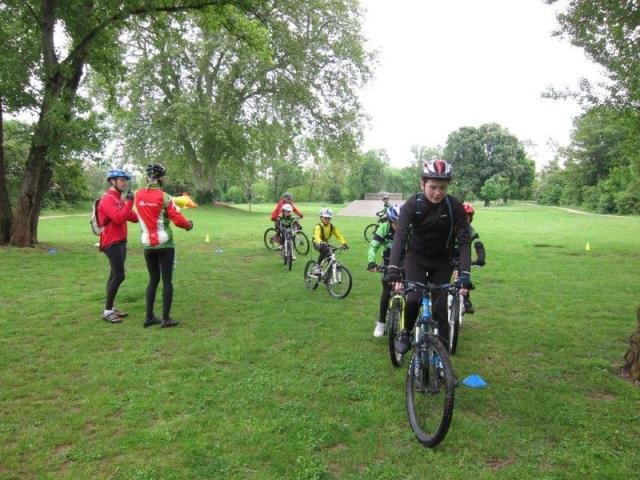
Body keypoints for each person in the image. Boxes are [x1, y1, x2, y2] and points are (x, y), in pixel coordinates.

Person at [386, 159, 472, 354]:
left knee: (441, 309)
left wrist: (465, 273)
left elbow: (465, 242)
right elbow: (400, 236)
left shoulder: (454, 207)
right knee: (414, 298)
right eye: (432, 187)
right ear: (422, 184)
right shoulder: (412, 204)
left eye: (442, 187)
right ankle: (406, 332)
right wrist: (392, 268)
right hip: (416, 258)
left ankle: (442, 358)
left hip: (442, 261)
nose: (437, 193)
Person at [134, 163, 193, 328]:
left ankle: (149, 317)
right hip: (165, 244)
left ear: (147, 178)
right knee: (167, 282)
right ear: (160, 179)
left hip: (147, 244)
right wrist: (189, 225)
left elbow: (134, 214)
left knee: (153, 280)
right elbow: (178, 219)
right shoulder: (164, 197)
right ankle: (166, 319)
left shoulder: (137, 195)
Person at [98, 168, 138, 323]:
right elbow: (118, 218)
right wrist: (128, 203)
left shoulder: (119, 199)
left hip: (121, 241)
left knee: (113, 275)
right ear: (112, 181)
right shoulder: (107, 199)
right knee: (120, 275)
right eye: (121, 180)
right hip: (111, 242)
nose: (124, 182)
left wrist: (131, 206)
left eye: (125, 180)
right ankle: (107, 311)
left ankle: (111, 307)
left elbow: (132, 217)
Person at [367, 204, 401, 337]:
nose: (398, 225)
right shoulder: (383, 229)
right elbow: (373, 246)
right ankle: (381, 322)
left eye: (401, 222)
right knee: (387, 290)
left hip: (405, 260)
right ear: (390, 221)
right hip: (388, 260)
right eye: (395, 222)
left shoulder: (408, 230)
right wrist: (371, 262)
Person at [459, 202, 486, 314]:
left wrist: (481, 258)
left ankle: (466, 300)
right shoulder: (451, 227)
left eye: (468, 217)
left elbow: (478, 244)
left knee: (465, 279)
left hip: (464, 258)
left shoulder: (471, 231)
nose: (466, 220)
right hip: (449, 257)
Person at [311, 207, 348, 274]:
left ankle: (328, 274)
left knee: (331, 255)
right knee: (324, 249)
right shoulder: (318, 226)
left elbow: (338, 235)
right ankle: (317, 266)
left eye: (329, 218)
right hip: (317, 242)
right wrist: (320, 242)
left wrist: (344, 243)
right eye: (325, 218)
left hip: (325, 243)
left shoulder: (331, 226)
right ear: (321, 217)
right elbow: (316, 236)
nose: (327, 220)